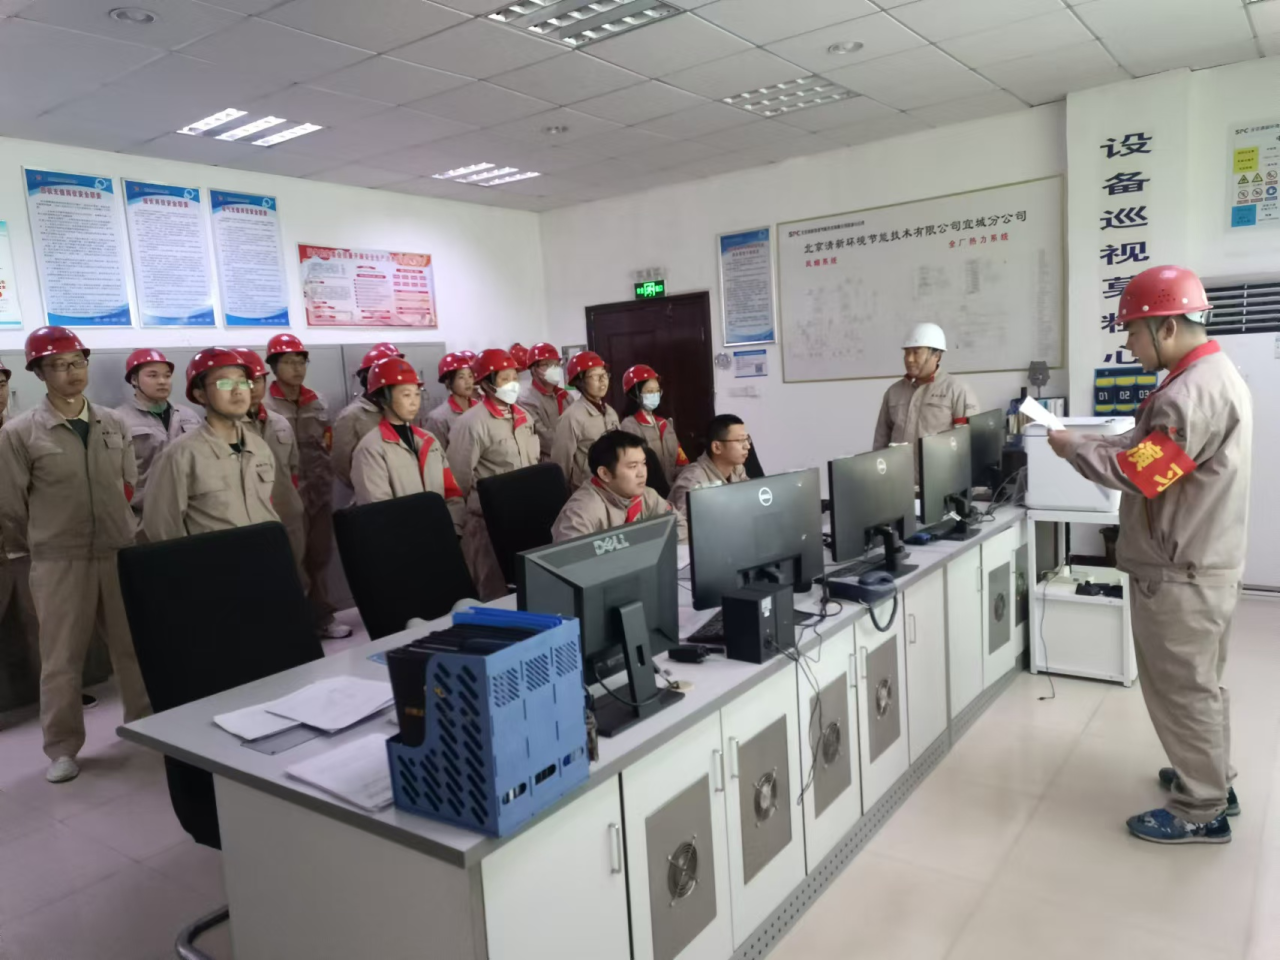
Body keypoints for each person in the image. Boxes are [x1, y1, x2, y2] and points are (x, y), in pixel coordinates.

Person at [1047, 265, 1252, 845]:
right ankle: (1212, 779)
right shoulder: (1208, 375)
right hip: (1203, 560)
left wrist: (1071, 451)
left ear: (1165, 327)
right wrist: (1090, 440)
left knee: (1182, 689)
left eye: (1133, 333)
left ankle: (1201, 809)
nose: (1129, 345)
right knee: (1200, 683)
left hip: (1181, 570)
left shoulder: (1190, 393)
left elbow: (1144, 473)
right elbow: (1148, 445)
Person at [0, 327, 149, 784]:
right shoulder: (20, 433)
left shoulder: (112, 422)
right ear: (39, 373)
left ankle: (146, 723)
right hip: (59, 559)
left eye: (77, 362)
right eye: (58, 365)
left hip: (117, 551)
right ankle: (62, 747)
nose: (71, 372)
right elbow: (10, 507)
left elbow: (128, 483)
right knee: (61, 659)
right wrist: (47, 539)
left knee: (134, 647)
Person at [262, 333, 350, 639]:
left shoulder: (318, 400)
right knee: (291, 560)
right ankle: (295, 623)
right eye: (289, 362)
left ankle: (323, 616)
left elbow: (327, 443)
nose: (297, 368)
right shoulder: (264, 405)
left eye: (301, 362)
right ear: (273, 366)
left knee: (320, 555)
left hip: (319, 492)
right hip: (284, 496)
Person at [143, 349, 279, 542]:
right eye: (225, 383)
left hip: (266, 555)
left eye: (242, 382)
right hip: (214, 560)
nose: (237, 390)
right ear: (200, 395)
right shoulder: (179, 455)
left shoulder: (259, 447)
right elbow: (162, 530)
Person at [446, 348, 539, 600]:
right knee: (494, 591)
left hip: (525, 515)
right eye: (504, 379)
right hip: (487, 523)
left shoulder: (523, 416)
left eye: (514, 378)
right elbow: (457, 479)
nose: (513, 384)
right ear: (486, 383)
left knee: (527, 587)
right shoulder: (471, 423)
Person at [351, 357, 466, 533]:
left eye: (417, 394)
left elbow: (452, 493)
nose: (414, 402)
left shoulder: (429, 440)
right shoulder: (371, 449)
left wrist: (454, 530)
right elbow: (378, 511)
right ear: (384, 398)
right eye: (406, 395)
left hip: (442, 537)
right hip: (403, 542)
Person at [237, 348, 307, 574]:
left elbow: (293, 468)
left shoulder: (280, 423)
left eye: (258, 380)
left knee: (295, 575)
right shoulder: (225, 429)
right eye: (245, 382)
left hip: (288, 516)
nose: (252, 388)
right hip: (248, 522)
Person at [114, 349, 201, 524]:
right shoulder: (118, 420)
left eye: (167, 376)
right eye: (152, 375)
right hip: (143, 516)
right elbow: (113, 475)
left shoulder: (188, 415)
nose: (162, 381)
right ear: (134, 379)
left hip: (191, 512)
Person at [552, 431, 687, 543]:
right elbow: (571, 560)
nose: (642, 473)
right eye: (633, 466)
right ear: (605, 473)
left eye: (643, 463)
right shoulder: (581, 511)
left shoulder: (647, 495)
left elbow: (680, 526)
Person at [0, 357, 41, 713]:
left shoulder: (21, 430)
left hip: (24, 539)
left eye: (1, 385)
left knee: (36, 619)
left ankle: (50, 695)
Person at [872, 322, 979, 451]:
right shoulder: (893, 392)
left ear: (937, 356)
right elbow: (880, 442)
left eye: (916, 352)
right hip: (900, 465)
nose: (909, 359)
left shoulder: (956, 390)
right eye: (907, 353)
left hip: (939, 464)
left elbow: (968, 442)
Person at [333, 342, 402, 493]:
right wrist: (369, 486)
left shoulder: (401, 410)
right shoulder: (351, 416)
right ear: (368, 379)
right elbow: (342, 466)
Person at [551, 350, 619, 490]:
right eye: (595, 376)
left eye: (604, 374)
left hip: (613, 487)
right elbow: (561, 464)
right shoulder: (571, 417)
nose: (602, 380)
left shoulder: (610, 413)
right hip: (586, 490)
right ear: (580, 381)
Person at [618, 363, 689, 487]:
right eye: (649, 391)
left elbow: (681, 460)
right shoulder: (629, 426)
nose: (655, 395)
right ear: (635, 393)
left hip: (673, 489)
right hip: (646, 490)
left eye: (657, 391)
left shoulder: (664, 424)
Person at [668, 414, 751, 518]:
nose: (747, 446)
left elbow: (750, 503)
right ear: (717, 447)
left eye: (747, 439)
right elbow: (686, 524)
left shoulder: (737, 469)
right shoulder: (692, 479)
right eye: (740, 440)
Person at [519, 342, 571, 461]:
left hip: (573, 460)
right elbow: (544, 438)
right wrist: (574, 444)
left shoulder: (565, 396)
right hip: (549, 462)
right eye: (547, 364)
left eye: (556, 364)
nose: (554, 369)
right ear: (533, 369)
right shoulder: (526, 400)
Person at [421, 352, 478, 450]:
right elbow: (435, 453)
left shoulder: (480, 408)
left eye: (470, 376)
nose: (468, 382)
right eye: (461, 377)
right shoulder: (438, 418)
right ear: (448, 382)